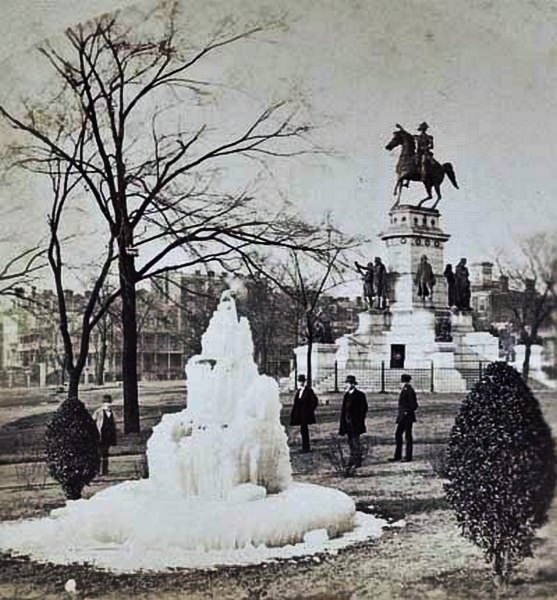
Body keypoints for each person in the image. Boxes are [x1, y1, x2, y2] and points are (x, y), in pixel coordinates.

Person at [339, 375, 368, 475]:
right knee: (350, 442)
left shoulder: (360, 395)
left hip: (356, 423)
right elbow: (343, 410)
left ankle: (357, 461)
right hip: (347, 423)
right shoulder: (346, 395)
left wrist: (357, 419)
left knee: (356, 442)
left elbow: (364, 409)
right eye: (346, 383)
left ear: (352, 384)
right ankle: (353, 459)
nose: (346, 386)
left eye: (348, 384)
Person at [390, 374, 418, 462]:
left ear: (404, 382)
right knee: (398, 434)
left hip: (407, 417)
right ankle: (398, 455)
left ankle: (407, 456)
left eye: (401, 382)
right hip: (402, 417)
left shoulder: (408, 390)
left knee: (407, 436)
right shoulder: (405, 390)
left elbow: (414, 405)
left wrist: (407, 412)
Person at [289, 374, 318, 453]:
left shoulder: (308, 390)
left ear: (304, 382)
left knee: (304, 430)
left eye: (302, 381)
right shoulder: (299, 391)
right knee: (302, 430)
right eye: (299, 381)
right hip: (300, 414)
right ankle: (304, 447)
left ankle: (306, 448)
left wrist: (310, 410)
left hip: (306, 414)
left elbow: (314, 401)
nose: (301, 383)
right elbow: (296, 403)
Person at [94, 394, 117, 475]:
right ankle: (98, 470)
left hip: (109, 435)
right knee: (100, 452)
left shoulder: (112, 412)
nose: (107, 404)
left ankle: (105, 470)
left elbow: (113, 423)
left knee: (106, 452)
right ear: (102, 403)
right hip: (101, 434)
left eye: (109, 402)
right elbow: (93, 422)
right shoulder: (98, 412)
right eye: (105, 402)